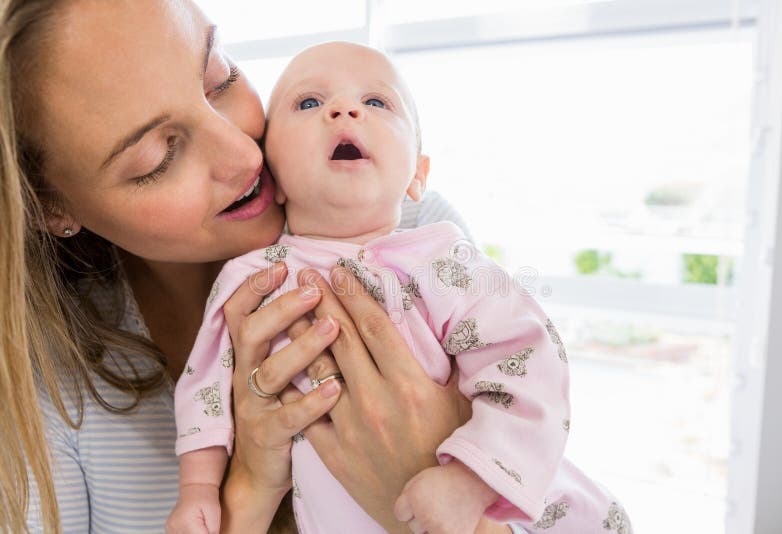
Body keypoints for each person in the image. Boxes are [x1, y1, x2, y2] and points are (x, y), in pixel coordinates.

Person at [0, 1, 510, 533]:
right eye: (159, 158)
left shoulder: (409, 228)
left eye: (220, 78)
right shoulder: (45, 388)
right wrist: (245, 491)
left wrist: (425, 485)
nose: (245, 154)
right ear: (50, 207)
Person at [170, 42, 633, 534]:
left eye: (377, 103)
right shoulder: (250, 282)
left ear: (417, 175)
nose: (344, 110)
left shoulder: (446, 262)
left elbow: (528, 367)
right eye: (308, 103)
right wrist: (198, 488)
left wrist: (469, 483)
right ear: (273, 177)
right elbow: (205, 386)